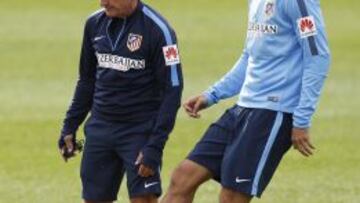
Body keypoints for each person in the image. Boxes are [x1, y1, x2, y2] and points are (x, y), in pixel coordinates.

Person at [161, 0, 330, 202]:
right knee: (183, 178)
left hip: (273, 111)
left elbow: (318, 56)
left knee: (231, 197)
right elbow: (249, 55)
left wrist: (301, 119)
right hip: (243, 107)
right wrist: (212, 95)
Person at [58, 0, 183, 202]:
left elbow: (173, 90)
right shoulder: (93, 24)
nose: (102, 2)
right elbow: (87, 80)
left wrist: (155, 146)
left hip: (139, 131)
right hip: (100, 129)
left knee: (143, 199)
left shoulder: (160, 31)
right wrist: (70, 125)